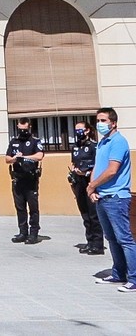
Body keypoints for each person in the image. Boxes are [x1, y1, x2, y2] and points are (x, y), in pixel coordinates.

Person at [87, 107, 136, 292]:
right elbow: (97, 168)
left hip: (116, 197)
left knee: (125, 238)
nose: (99, 124)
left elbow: (112, 170)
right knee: (112, 238)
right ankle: (118, 273)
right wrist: (92, 188)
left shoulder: (118, 142)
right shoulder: (102, 143)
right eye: (98, 121)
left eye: (103, 120)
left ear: (113, 123)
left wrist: (93, 186)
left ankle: (134, 278)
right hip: (102, 197)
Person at [5, 117, 44, 244]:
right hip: (18, 179)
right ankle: (23, 232)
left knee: (33, 208)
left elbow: (39, 156)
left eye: (25, 129)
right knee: (20, 207)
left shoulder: (34, 141)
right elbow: (7, 159)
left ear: (29, 127)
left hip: (31, 179)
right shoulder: (14, 141)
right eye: (20, 129)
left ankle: (33, 234)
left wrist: (24, 157)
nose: (22, 131)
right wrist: (15, 159)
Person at [68, 120, 103, 254]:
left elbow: (98, 165)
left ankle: (98, 244)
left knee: (93, 214)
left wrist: (87, 172)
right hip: (78, 182)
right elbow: (74, 162)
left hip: (90, 181)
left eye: (80, 130)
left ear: (87, 130)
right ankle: (89, 242)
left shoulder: (95, 146)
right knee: (85, 214)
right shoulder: (75, 146)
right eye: (76, 130)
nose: (78, 133)